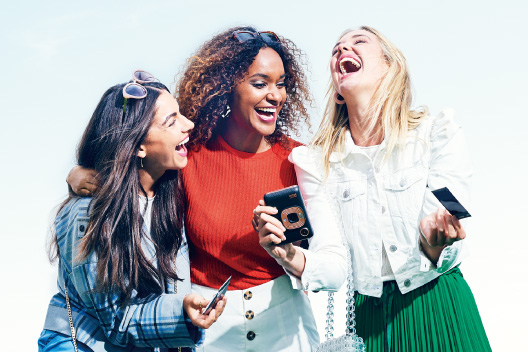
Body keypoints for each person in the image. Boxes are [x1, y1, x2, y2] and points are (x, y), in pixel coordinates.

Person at [68, 27, 347, 351]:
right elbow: (135, 166)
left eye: (281, 83)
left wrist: (287, 255)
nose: (276, 95)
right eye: (260, 83)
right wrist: (82, 175)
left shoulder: (297, 160)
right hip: (206, 333)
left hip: (287, 332)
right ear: (227, 87)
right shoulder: (189, 155)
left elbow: (334, 269)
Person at [271, 26, 491, 351]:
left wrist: (435, 241)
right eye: (336, 49)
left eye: (359, 42)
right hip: (368, 325)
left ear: (391, 67)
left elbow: (452, 204)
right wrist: (290, 255)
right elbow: (332, 263)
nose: (343, 50)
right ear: (336, 91)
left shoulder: (438, 133)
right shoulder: (316, 163)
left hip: (440, 306)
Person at [39, 71, 225, 352]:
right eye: (171, 121)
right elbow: (117, 320)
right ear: (139, 146)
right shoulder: (87, 213)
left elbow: (177, 289)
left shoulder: (167, 199)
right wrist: (182, 313)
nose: (188, 125)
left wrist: (189, 314)